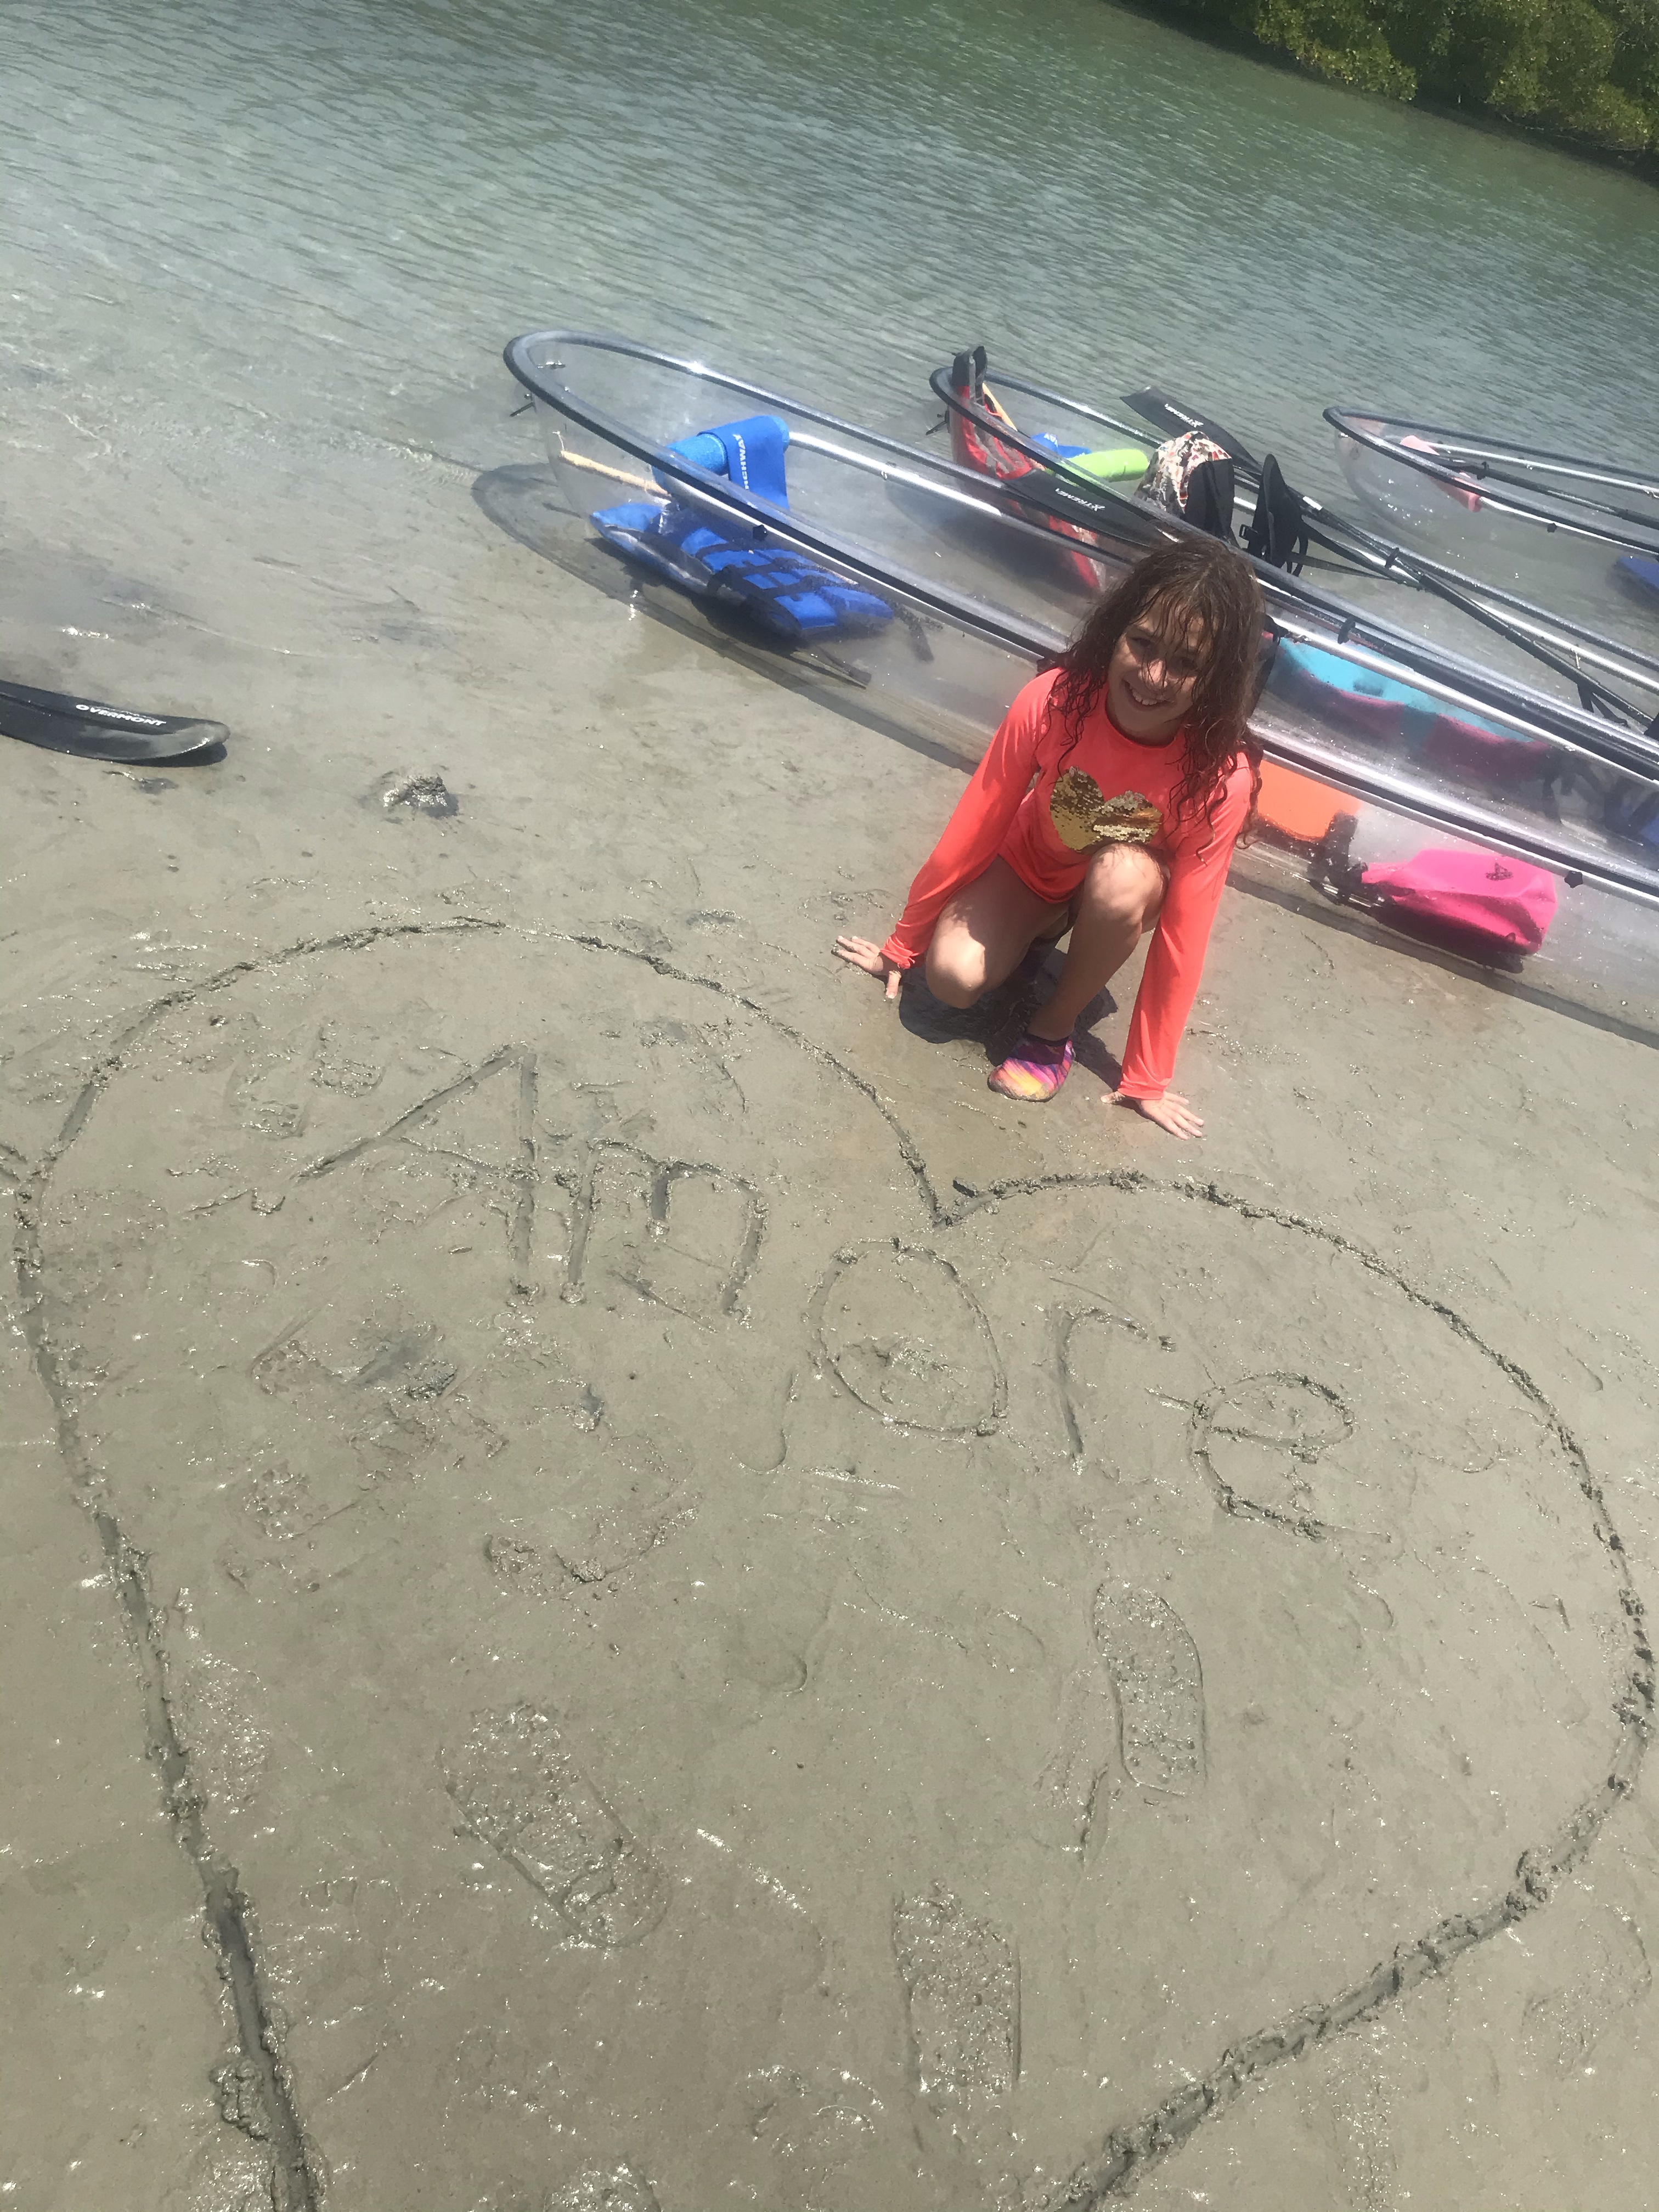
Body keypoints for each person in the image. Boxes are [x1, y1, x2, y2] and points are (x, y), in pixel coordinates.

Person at [833, 535, 1265, 1141]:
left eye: (1186, 664)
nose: (1153, 677)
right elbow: (977, 823)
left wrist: (1147, 1076)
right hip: (1032, 868)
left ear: (1218, 678)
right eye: (1143, 643)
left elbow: (1185, 930)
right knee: (951, 980)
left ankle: (1053, 1027)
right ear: (1116, 629)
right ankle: (1036, 934)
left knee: (1121, 876)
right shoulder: (1057, 699)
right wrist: (903, 945)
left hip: (1120, 892)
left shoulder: (1221, 777)